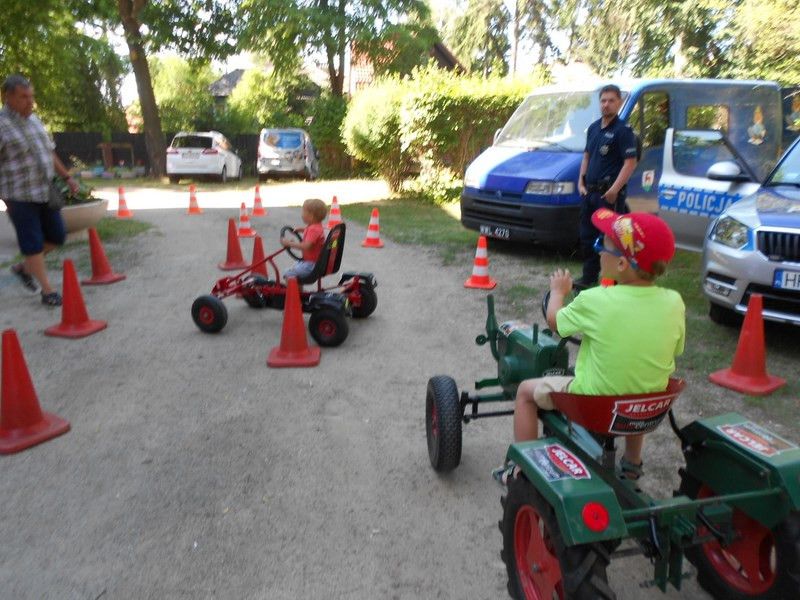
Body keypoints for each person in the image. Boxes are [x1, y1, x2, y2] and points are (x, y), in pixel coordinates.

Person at [494, 209, 685, 484]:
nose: (597, 251)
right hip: (648, 408)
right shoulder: (674, 301)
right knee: (636, 386)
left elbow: (555, 322)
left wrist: (559, 292)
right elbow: (675, 350)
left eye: (602, 245)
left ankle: (522, 469)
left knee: (525, 392)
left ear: (621, 265)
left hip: (597, 407)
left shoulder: (596, 300)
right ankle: (632, 464)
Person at [0, 74, 78, 306]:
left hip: (44, 191)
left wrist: (67, 177)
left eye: (31, 96)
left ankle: (24, 268)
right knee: (32, 242)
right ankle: (48, 291)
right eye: (24, 97)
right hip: (18, 196)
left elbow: (49, 152)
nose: (30, 101)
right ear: (8, 97)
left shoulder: (34, 120)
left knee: (57, 236)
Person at [577, 84, 639, 287]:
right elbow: (586, 156)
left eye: (611, 100)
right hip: (590, 194)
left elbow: (630, 163)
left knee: (610, 240)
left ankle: (610, 282)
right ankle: (588, 279)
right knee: (588, 238)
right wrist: (581, 181)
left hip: (609, 196)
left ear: (619, 103)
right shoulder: (594, 128)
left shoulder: (623, 131)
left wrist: (614, 190)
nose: (606, 104)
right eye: (603, 100)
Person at [280, 198, 328, 280]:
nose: (301, 214)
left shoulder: (313, 229)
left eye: (303, 212)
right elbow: (314, 236)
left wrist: (289, 244)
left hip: (311, 265)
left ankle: (295, 292)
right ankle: (297, 291)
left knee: (288, 274)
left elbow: (306, 246)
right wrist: (303, 230)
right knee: (295, 268)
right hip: (313, 262)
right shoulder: (316, 227)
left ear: (311, 216)